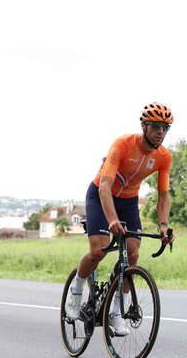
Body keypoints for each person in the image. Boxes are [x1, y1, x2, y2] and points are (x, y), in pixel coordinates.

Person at [66, 103, 176, 335]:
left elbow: (163, 194)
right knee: (99, 251)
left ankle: (115, 312)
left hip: (128, 201)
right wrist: (112, 220)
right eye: (156, 127)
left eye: (165, 128)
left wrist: (164, 226)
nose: (160, 132)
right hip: (100, 195)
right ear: (144, 126)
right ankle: (76, 291)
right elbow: (105, 185)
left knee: (133, 254)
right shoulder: (123, 144)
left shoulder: (164, 157)